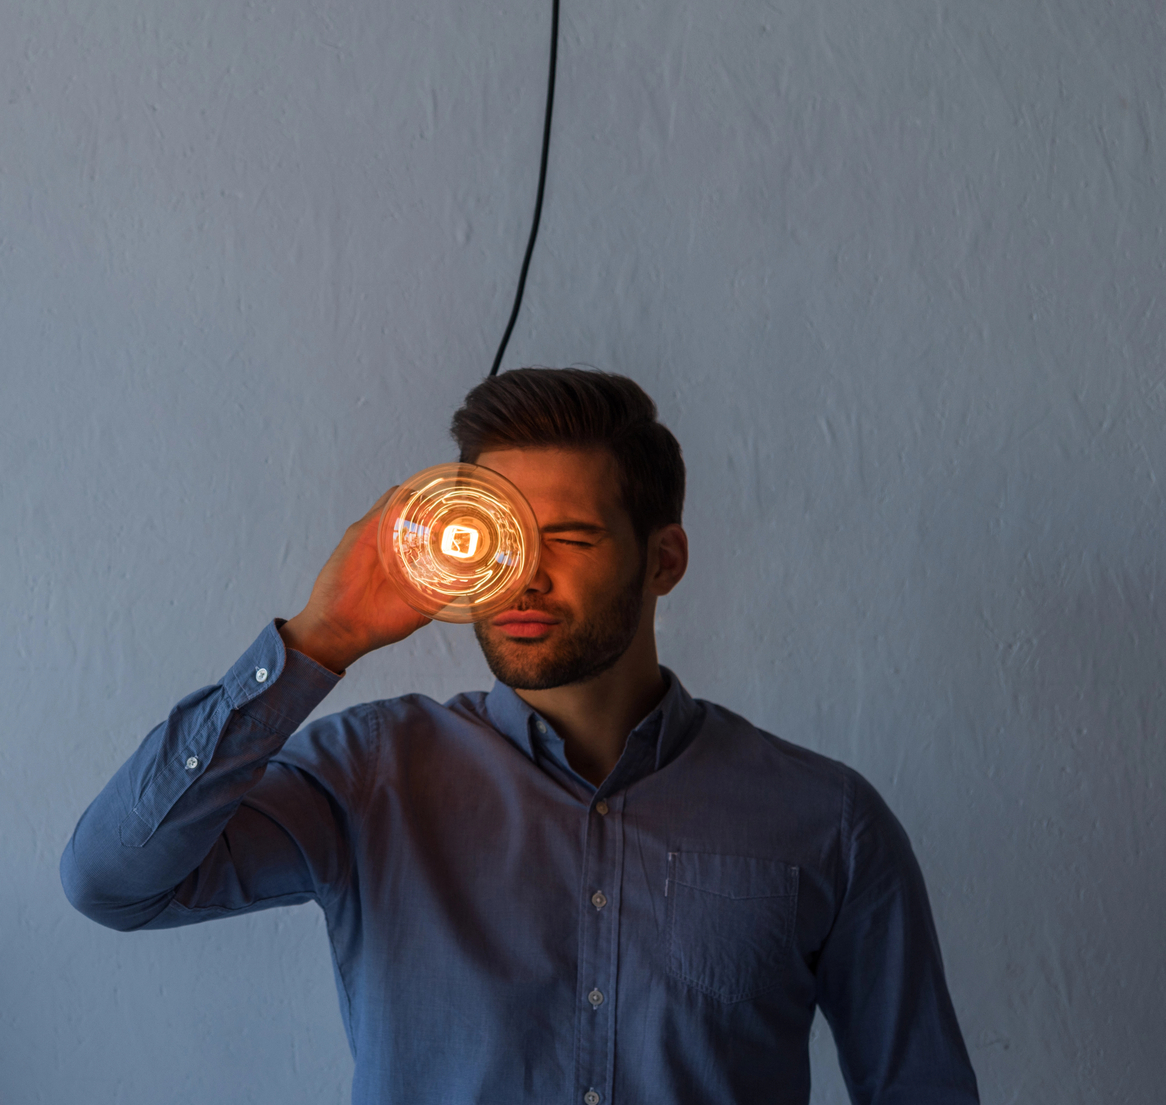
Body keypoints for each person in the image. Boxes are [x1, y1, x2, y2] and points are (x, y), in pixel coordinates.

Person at [60, 368, 978, 1105]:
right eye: (503, 537)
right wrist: (321, 640)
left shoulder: (827, 820)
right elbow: (115, 883)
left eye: (570, 540)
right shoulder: (371, 774)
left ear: (664, 560)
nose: (524, 579)